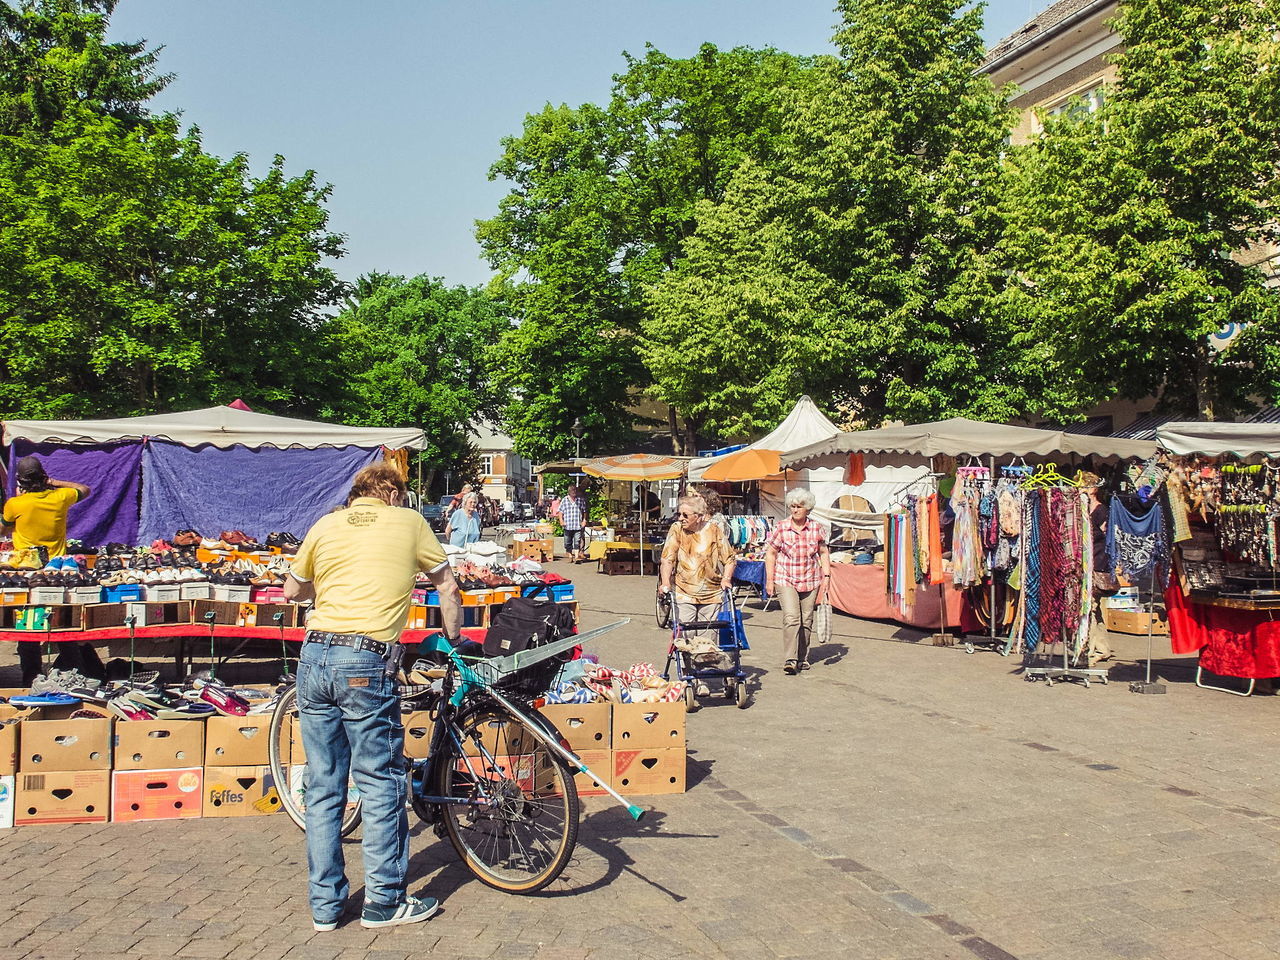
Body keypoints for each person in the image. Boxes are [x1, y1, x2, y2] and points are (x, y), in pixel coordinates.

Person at [284, 461, 462, 931]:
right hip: (365, 660)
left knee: (323, 787)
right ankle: (384, 901)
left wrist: (325, 585)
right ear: (395, 494)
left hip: (315, 656)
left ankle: (325, 908)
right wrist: (453, 641)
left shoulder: (325, 524)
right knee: (380, 780)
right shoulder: (409, 521)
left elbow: (292, 589)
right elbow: (447, 586)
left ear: (357, 493)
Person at [1, 456, 96, 684]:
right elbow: (84, 489)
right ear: (43, 476)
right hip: (58, 572)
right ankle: (75, 671)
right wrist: (54, 482)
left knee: (28, 624)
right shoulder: (60, 497)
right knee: (63, 623)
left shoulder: (15, 504)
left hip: (28, 572)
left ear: (20, 481)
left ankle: (31, 675)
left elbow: (3, 527)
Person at [660, 494, 736, 687]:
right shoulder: (677, 530)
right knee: (686, 638)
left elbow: (729, 559)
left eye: (685, 515)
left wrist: (726, 579)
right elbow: (668, 558)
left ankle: (702, 678)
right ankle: (690, 678)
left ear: (700, 515)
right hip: (684, 591)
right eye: (679, 514)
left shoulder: (714, 530)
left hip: (711, 594)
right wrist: (665, 583)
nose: (680, 518)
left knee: (706, 639)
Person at [764, 488, 831, 676]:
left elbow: (824, 553)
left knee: (807, 619)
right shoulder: (781, 527)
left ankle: (803, 657)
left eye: (799, 507)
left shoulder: (816, 528)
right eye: (792, 506)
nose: (795, 510)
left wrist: (826, 577)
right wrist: (769, 580)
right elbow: (771, 553)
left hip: (810, 579)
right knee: (792, 617)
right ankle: (790, 659)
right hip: (785, 578)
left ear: (807, 509)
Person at [1082, 473, 1115, 666]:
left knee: (1091, 605)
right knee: (1094, 608)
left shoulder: (1102, 510)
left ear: (1093, 489)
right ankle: (1102, 648)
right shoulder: (1084, 508)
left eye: (1084, 487)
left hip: (1098, 561)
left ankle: (1093, 649)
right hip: (1088, 562)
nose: (1081, 491)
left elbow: (1106, 537)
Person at [558, 484, 587, 564]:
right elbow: (560, 512)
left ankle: (577, 557)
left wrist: (584, 520)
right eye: (573, 490)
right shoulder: (564, 500)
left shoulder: (580, 500)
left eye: (575, 490)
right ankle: (570, 555)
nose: (574, 492)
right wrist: (561, 520)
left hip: (577, 524)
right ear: (569, 492)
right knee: (567, 542)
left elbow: (584, 511)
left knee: (577, 541)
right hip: (567, 525)